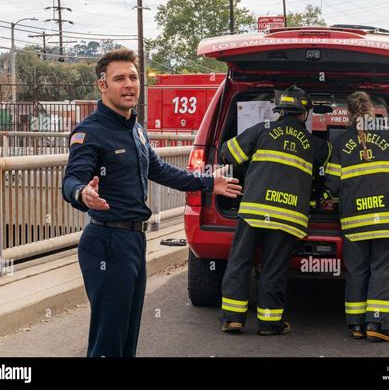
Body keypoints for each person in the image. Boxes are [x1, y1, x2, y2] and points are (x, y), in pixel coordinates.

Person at [62, 49, 241, 357]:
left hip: (133, 240)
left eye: (133, 77)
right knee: (108, 338)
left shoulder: (135, 129)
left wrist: (210, 182)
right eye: (119, 78)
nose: (129, 84)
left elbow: (160, 170)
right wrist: (82, 193)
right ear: (102, 86)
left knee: (128, 333)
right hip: (106, 240)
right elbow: (71, 180)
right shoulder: (90, 131)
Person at [219, 86, 329, 335]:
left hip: (254, 212)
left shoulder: (261, 130)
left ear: (280, 111)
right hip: (288, 217)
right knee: (273, 268)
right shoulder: (315, 144)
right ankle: (269, 323)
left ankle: (233, 319)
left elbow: (227, 154)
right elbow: (334, 157)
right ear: (304, 114)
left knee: (240, 262)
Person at [325, 91, 389, 342]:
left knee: (357, 271)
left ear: (349, 114)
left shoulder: (340, 142)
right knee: (382, 268)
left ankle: (356, 324)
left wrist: (341, 201)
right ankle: (378, 323)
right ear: (372, 111)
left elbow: (332, 184)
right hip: (386, 216)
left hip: (354, 220)